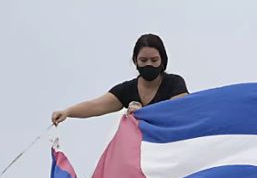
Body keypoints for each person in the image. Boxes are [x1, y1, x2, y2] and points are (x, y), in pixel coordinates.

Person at [51, 34, 189, 126]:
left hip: (169, 149)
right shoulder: (127, 90)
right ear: (135, 61)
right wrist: (67, 112)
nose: (149, 64)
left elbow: (179, 110)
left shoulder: (174, 83)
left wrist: (141, 114)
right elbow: (96, 105)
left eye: (154, 60)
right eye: (143, 60)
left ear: (163, 61)